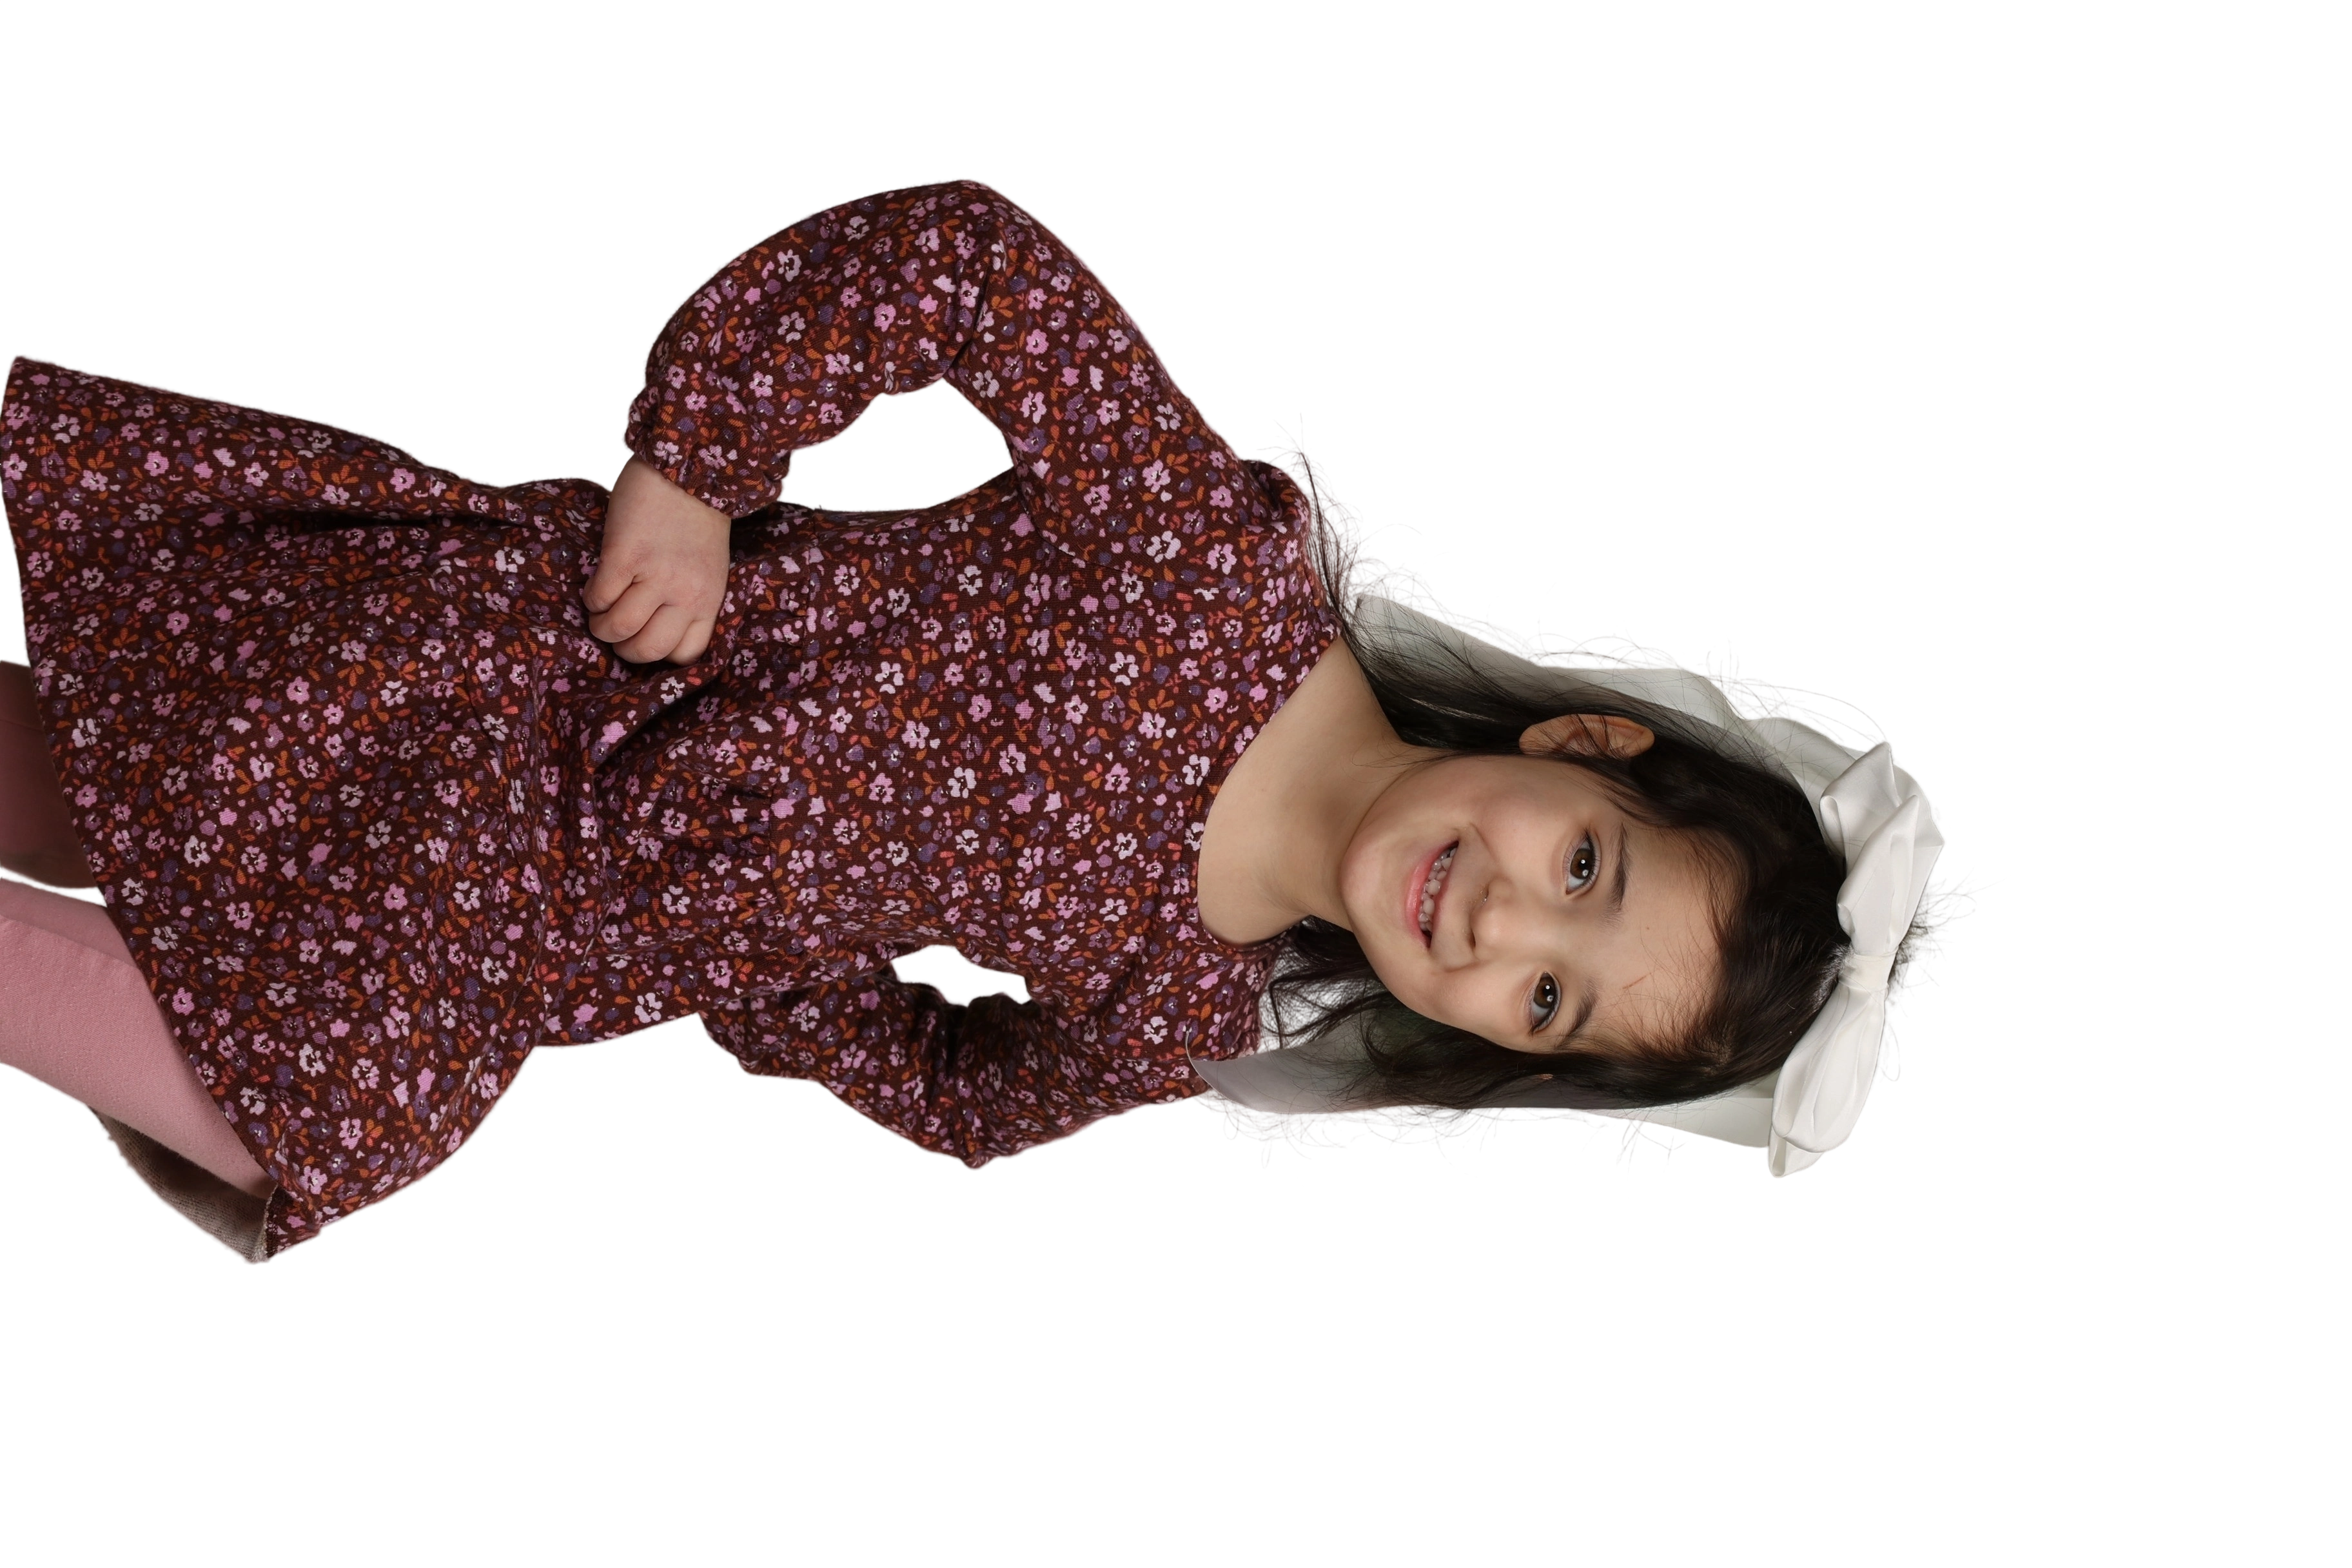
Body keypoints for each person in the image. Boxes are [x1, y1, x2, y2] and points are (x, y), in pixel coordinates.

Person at [0, 176, 1970, 1265]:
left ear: (1492, 1050)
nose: (1500, 924)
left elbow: (958, 1100)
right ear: (1586, 750)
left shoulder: (1182, 1001)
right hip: (515, 686)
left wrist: (763, 963)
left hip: (531, 940)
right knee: (105, 772)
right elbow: (970, 269)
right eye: (1585, 874)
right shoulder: (1209, 575)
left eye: (1546, 999)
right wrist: (699, 463)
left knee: (304, 1097)